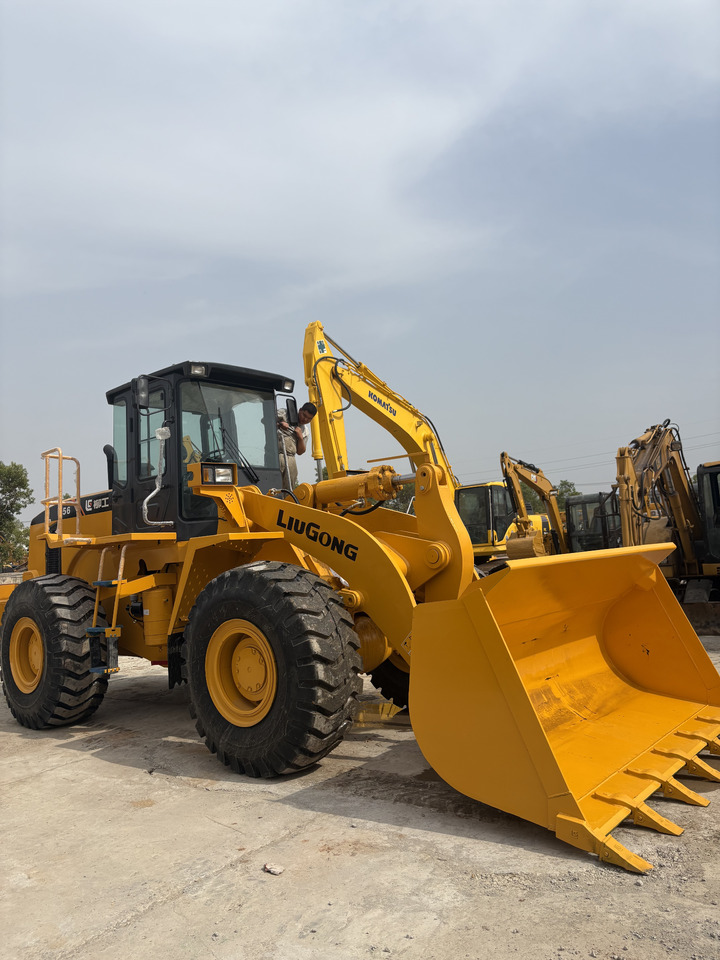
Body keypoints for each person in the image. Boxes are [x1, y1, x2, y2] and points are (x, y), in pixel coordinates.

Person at [277, 401, 317, 489]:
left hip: (291, 459)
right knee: (273, 484)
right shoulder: (284, 414)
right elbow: (266, 420)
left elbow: (300, 452)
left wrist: (300, 438)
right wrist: (280, 424)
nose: (305, 420)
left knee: (289, 488)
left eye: (309, 419)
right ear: (300, 410)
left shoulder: (305, 431)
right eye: (304, 415)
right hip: (275, 454)